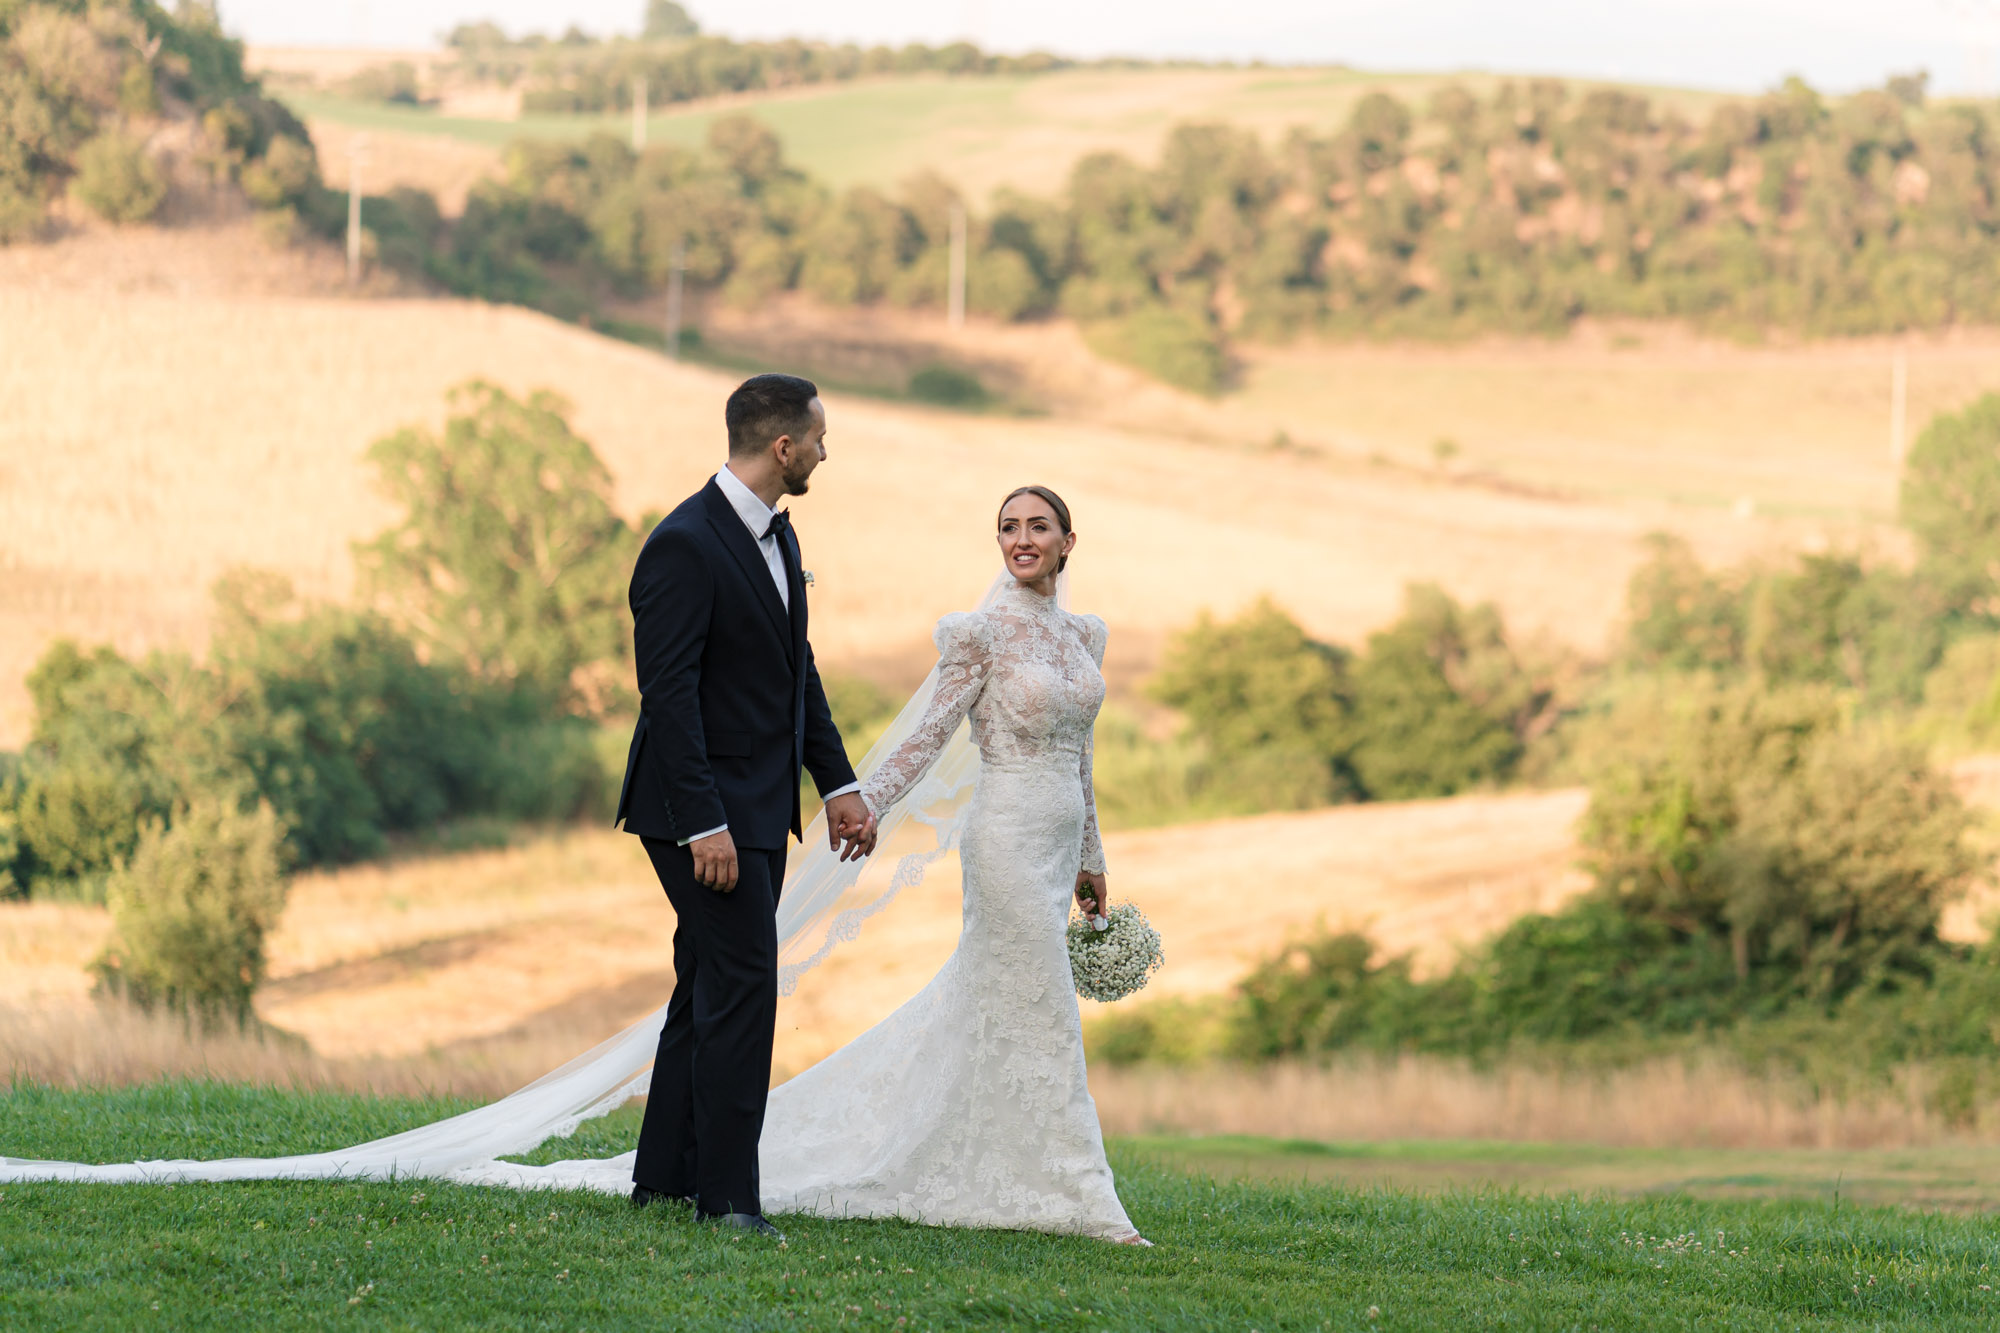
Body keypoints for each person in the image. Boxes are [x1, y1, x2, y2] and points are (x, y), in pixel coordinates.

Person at [755, 484, 1148, 1245]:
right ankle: (1084, 1195)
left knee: (1007, 1007)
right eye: (1008, 527)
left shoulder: (1084, 637)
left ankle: (999, 1165)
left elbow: (1083, 753)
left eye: (1039, 526)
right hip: (1003, 837)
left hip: (1058, 839)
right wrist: (864, 801)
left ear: (1070, 541)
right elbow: (930, 732)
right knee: (1047, 1007)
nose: (1022, 538)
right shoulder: (982, 633)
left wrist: (1093, 855)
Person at [614, 373, 879, 1240]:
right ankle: (728, 1200)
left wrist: (836, 784)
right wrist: (703, 824)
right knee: (745, 986)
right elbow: (670, 695)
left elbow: (795, 672)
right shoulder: (684, 543)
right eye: (818, 437)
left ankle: (663, 1179)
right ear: (782, 447)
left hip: (761, 808)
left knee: (708, 983)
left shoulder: (777, 538)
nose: (824, 451)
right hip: (698, 814)